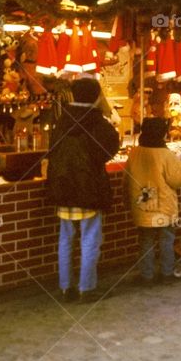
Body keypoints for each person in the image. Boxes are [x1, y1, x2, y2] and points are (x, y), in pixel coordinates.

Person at [46, 77, 120, 303]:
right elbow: (109, 149)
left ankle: (65, 287)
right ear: (96, 95)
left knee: (65, 239)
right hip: (89, 188)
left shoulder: (61, 121)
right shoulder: (99, 124)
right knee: (90, 239)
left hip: (62, 186)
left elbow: (52, 152)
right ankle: (86, 288)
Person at [125, 117, 181, 285]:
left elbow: (126, 180)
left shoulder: (134, 153)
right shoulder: (166, 154)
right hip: (163, 205)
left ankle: (147, 276)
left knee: (146, 240)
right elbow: (178, 180)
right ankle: (167, 273)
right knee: (166, 240)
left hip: (143, 203)